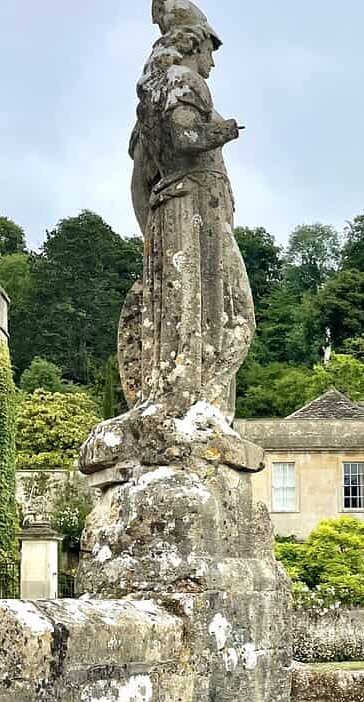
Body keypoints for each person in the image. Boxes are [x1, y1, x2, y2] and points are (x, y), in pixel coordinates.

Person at [123, 17, 253, 421]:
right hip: (196, 207)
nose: (212, 63)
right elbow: (187, 139)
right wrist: (225, 131)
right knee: (232, 311)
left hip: (173, 208)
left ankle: (183, 396)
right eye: (211, 51)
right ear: (195, 46)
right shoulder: (185, 81)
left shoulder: (151, 99)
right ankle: (197, 399)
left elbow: (139, 183)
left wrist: (152, 230)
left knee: (187, 303)